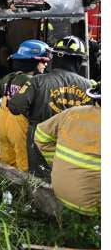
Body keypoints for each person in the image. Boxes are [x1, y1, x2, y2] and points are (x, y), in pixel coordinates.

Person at [8, 36, 93, 180]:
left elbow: (15, 107)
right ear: (79, 62)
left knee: (39, 183)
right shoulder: (90, 87)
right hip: (75, 142)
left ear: (55, 58)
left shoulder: (37, 81)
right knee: (71, 181)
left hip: (39, 142)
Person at [34, 82, 100, 215]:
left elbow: (40, 134)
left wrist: (56, 162)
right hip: (92, 207)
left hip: (62, 194)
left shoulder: (72, 112)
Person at [0, 40, 50, 171]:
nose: (45, 65)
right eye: (43, 61)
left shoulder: (9, 78)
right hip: (20, 132)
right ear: (33, 62)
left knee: (7, 167)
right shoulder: (35, 82)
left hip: (3, 128)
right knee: (25, 170)